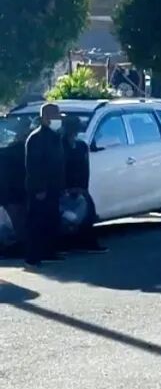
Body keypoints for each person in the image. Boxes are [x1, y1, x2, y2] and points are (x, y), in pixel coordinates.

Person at [23, 103, 66, 267]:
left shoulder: (55, 137)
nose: (58, 120)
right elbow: (34, 166)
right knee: (36, 222)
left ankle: (48, 252)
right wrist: (39, 188)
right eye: (55, 117)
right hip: (40, 188)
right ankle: (32, 256)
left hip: (53, 186)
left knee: (51, 220)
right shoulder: (37, 138)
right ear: (45, 118)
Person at [61, 114, 106, 253]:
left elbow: (85, 169)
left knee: (88, 211)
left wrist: (83, 187)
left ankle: (87, 243)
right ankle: (65, 243)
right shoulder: (59, 146)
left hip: (79, 186)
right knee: (64, 215)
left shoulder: (81, 146)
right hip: (65, 187)